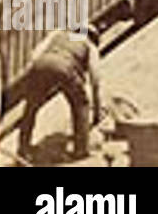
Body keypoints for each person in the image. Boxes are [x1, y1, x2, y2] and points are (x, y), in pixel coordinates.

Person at [17, 27, 102, 163]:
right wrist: (97, 114)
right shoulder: (89, 44)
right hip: (65, 67)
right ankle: (81, 150)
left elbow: (34, 55)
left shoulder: (58, 34)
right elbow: (96, 81)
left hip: (41, 64)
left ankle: (23, 148)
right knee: (81, 104)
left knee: (31, 107)